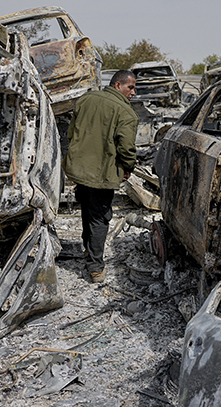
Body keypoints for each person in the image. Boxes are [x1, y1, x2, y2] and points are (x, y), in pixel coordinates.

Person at [63, 70, 139, 283]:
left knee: (87, 210)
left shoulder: (86, 99)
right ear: (117, 85)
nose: (133, 92)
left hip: (80, 170)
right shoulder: (126, 113)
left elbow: (71, 133)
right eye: (130, 87)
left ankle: (89, 251)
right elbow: (126, 148)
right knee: (100, 218)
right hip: (102, 173)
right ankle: (95, 268)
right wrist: (128, 167)